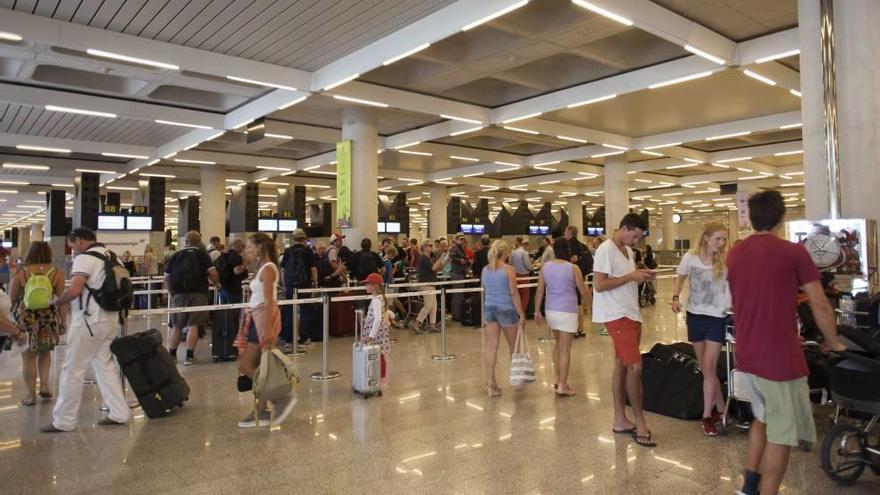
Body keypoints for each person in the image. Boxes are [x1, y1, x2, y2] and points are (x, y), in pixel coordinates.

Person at [727, 191, 846, 495]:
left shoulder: (736, 252)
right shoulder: (793, 252)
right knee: (781, 434)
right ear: (782, 218)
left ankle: (749, 486)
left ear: (752, 218)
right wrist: (833, 341)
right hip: (778, 360)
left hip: (747, 355)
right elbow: (819, 304)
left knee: (762, 419)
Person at [42, 228, 131, 432]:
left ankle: (64, 421)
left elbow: (74, 290)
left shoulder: (85, 259)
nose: (73, 251)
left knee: (72, 369)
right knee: (104, 365)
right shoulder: (113, 257)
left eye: (72, 246)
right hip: (110, 320)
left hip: (89, 322)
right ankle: (120, 413)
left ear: (80, 241)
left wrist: (58, 301)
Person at [592, 213, 656, 448]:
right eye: (635, 236)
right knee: (635, 366)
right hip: (616, 315)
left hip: (630, 313)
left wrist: (639, 277)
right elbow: (599, 285)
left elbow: (622, 280)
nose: (636, 241)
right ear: (625, 228)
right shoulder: (605, 250)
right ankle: (639, 420)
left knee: (621, 365)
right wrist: (630, 276)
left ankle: (620, 418)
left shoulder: (628, 252)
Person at [672, 222, 732, 436]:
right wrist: (675, 298)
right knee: (706, 369)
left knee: (708, 365)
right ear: (705, 238)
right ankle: (722, 408)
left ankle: (707, 416)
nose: (722, 243)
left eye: (724, 239)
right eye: (718, 238)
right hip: (695, 316)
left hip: (717, 318)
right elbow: (679, 279)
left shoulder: (726, 260)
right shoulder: (690, 258)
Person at [235, 233, 294, 428]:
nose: (248, 249)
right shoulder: (263, 268)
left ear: (260, 247)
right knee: (260, 366)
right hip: (257, 317)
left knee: (246, 365)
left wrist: (268, 329)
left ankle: (278, 398)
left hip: (262, 319)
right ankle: (261, 409)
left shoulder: (268, 269)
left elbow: (269, 300)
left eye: (251, 246)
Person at [8, 241, 65, 406]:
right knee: (45, 353)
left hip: (26, 319)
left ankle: (30, 394)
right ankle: (45, 386)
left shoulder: (21, 273)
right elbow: (61, 301)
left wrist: (10, 321)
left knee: (28, 357)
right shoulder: (57, 273)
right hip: (48, 318)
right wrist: (63, 321)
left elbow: (11, 299)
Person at [534, 238, 590, 397]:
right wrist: (593, 306)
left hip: (551, 310)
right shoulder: (573, 268)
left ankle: (557, 377)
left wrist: (536, 311)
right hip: (568, 311)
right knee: (565, 348)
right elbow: (584, 291)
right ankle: (563, 385)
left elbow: (539, 291)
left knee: (558, 344)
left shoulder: (545, 267)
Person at [164, 231, 219, 366]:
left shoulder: (176, 255)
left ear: (185, 241)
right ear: (199, 242)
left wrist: (172, 292)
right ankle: (189, 356)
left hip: (179, 293)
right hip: (198, 293)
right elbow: (212, 273)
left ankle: (172, 354)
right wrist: (216, 283)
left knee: (177, 325)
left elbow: (166, 277)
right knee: (193, 325)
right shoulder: (202, 255)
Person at [481, 240, 525, 398]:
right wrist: (521, 313)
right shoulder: (509, 269)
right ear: (505, 252)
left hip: (489, 310)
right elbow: (513, 293)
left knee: (491, 347)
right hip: (506, 310)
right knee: (514, 347)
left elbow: (485, 289)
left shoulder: (485, 269)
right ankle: (517, 380)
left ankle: (491, 382)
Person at [280, 229, 318, 347]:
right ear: (304, 238)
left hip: (290, 286)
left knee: (289, 312)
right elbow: (313, 269)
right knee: (305, 311)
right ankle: (304, 338)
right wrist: (315, 283)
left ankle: (288, 340)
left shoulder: (287, 251)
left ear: (293, 239)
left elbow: (282, 269)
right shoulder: (308, 251)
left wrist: (284, 284)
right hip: (304, 285)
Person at [361, 272, 391, 389]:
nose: (366, 286)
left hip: (376, 333)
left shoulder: (376, 300)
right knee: (380, 354)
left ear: (374, 285)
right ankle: (379, 377)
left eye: (367, 284)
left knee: (379, 354)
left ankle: (382, 379)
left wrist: (371, 336)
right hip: (379, 331)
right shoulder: (379, 298)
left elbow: (378, 319)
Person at [565, 226, 592, 338]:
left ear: (570, 233)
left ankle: (575, 328)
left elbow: (574, 258)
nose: (564, 233)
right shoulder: (582, 245)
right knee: (578, 302)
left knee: (573, 302)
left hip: (572, 276)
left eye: (565, 231)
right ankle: (581, 328)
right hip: (581, 275)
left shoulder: (571, 245)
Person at [413, 242, 443, 333]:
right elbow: (433, 268)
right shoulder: (424, 258)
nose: (431, 247)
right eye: (429, 245)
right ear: (424, 247)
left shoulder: (428, 258)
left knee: (434, 305)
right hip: (426, 284)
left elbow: (436, 269)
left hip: (431, 283)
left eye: (431, 245)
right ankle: (417, 323)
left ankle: (432, 325)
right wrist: (440, 259)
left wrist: (443, 262)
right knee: (428, 305)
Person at [509, 237, 532, 319]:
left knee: (516, 294)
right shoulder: (525, 253)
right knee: (525, 295)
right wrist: (531, 267)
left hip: (515, 275)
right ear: (524, 244)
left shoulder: (513, 252)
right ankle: (521, 313)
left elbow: (510, 263)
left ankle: (516, 311)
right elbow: (528, 265)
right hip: (524, 275)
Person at [448, 233, 469, 321]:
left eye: (463, 239)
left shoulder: (460, 248)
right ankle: (457, 315)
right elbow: (451, 256)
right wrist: (460, 260)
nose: (462, 240)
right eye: (460, 239)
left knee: (457, 294)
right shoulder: (455, 247)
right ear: (456, 239)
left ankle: (456, 314)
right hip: (457, 273)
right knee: (458, 294)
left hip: (459, 273)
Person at [383, 245, 406, 325]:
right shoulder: (388, 262)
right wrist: (395, 267)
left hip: (384, 284)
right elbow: (390, 274)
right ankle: (391, 320)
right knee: (390, 303)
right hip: (389, 284)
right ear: (391, 253)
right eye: (393, 255)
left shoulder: (382, 260)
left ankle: (393, 319)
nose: (393, 257)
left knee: (391, 301)